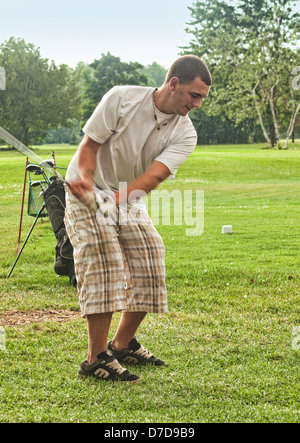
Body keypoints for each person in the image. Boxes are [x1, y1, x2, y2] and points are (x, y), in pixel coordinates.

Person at [64, 55, 212, 383]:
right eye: (194, 95)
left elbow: (153, 177)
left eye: (202, 97)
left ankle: (122, 344)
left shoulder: (186, 133)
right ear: (174, 83)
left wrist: (116, 200)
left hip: (126, 197)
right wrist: (87, 181)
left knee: (151, 258)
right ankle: (95, 358)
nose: (198, 104)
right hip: (86, 189)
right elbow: (89, 146)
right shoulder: (121, 98)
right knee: (104, 260)